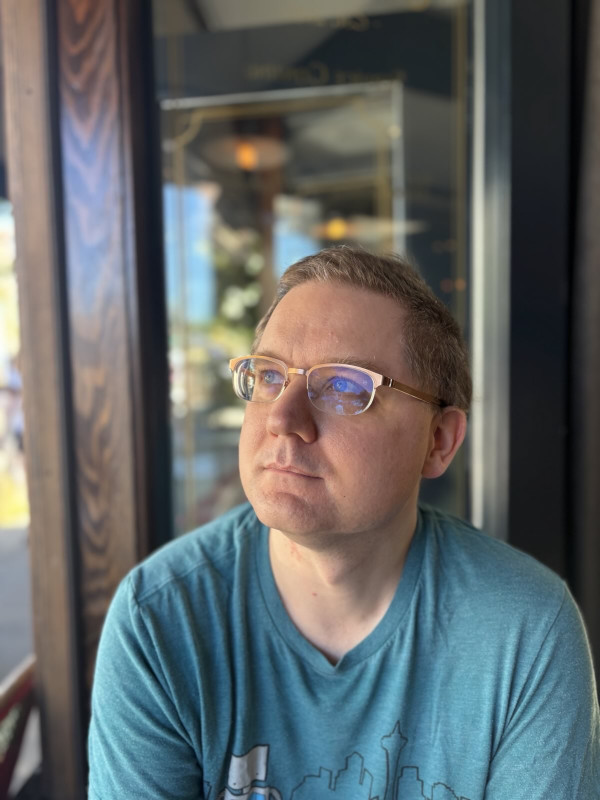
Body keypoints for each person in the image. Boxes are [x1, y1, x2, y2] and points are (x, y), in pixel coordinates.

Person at [88, 247, 599, 800]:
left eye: (345, 387)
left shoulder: (525, 631)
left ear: (439, 441)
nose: (283, 419)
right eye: (268, 376)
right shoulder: (161, 620)